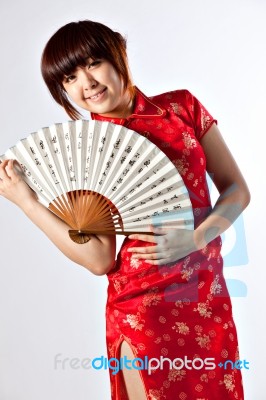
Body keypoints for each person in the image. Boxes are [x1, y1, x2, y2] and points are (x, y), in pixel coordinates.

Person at [0, 20, 250, 400]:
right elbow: (99, 259)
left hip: (206, 298)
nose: (86, 82)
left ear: (119, 53)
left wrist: (196, 239)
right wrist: (27, 203)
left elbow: (236, 190)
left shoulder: (182, 107)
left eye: (93, 62)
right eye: (69, 78)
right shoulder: (87, 150)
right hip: (142, 305)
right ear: (62, 90)